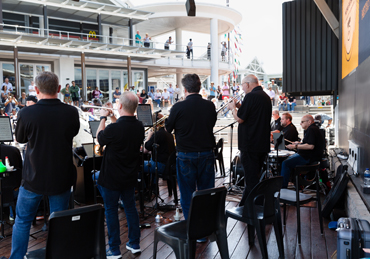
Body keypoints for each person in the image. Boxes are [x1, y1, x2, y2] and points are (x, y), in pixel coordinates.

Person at [11, 71, 80, 259]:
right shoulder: (71, 112)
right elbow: (72, 134)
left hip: (33, 177)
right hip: (61, 177)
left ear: (36, 89)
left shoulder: (26, 113)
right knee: (60, 222)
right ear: (58, 89)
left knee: (23, 221)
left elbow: (20, 138)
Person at [96, 92, 144, 257]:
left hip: (111, 177)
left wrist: (103, 117)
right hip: (129, 177)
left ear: (120, 106)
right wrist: (113, 118)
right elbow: (121, 131)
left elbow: (100, 139)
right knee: (130, 208)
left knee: (111, 210)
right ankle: (134, 243)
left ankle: (114, 249)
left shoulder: (114, 129)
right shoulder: (139, 126)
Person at [165, 74, 217, 221]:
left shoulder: (178, 107)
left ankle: (192, 228)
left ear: (185, 89)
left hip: (186, 155)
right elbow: (211, 124)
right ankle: (204, 227)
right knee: (206, 192)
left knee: (187, 194)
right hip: (207, 153)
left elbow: (168, 129)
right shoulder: (209, 105)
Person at [227, 74, 272, 206]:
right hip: (261, 144)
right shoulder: (265, 97)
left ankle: (258, 210)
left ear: (247, 84)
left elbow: (240, 119)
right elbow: (251, 113)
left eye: (242, 85)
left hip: (250, 144)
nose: (242, 88)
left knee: (251, 180)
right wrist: (240, 105)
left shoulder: (250, 96)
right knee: (253, 177)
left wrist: (233, 108)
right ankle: (244, 206)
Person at [281, 115, 325, 188]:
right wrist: (298, 143)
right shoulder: (312, 129)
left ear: (309, 122)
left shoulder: (312, 129)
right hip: (307, 156)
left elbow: (311, 146)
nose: (300, 124)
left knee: (285, 163)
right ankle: (294, 183)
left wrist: (295, 146)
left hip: (308, 157)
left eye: (302, 122)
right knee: (287, 160)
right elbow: (309, 143)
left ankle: (283, 187)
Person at [143, 114, 175, 187]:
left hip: (161, 166)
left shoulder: (157, 134)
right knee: (152, 160)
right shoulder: (168, 133)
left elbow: (145, 150)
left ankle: (144, 190)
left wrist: (148, 136)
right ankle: (154, 187)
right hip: (168, 165)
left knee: (139, 165)